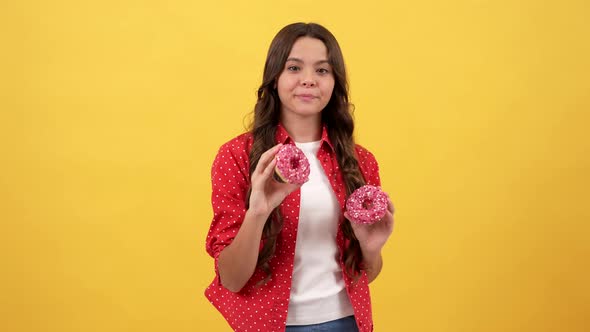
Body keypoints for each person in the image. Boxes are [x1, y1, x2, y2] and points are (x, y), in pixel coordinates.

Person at [204, 22, 395, 332]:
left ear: (335, 82)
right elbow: (231, 278)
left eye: (322, 71)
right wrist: (258, 213)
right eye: (294, 68)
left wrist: (371, 249)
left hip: (346, 322)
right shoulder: (237, 157)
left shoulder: (360, 161)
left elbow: (367, 273)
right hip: (268, 325)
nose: (308, 80)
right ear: (275, 78)